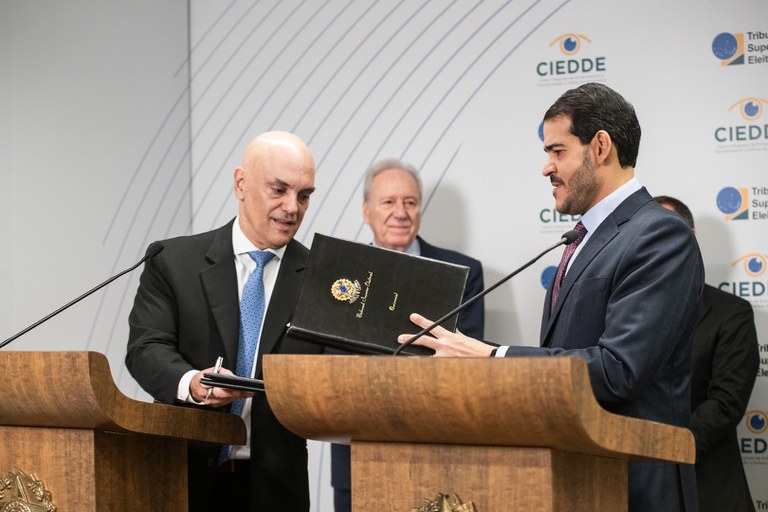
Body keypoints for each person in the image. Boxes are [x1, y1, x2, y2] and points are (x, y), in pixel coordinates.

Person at [399, 83, 704, 512]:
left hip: (633, 487)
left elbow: (619, 371)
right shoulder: (582, 237)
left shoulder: (658, 234)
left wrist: (493, 357)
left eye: (557, 151)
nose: (546, 168)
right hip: (573, 479)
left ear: (600, 147)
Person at [125, 131, 322, 512]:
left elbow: (343, 373)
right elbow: (146, 348)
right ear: (241, 183)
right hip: (183, 480)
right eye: (279, 189)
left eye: (304, 195)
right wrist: (192, 383)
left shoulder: (322, 279)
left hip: (276, 490)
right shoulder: (173, 261)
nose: (292, 207)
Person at [330, 158, 486, 512]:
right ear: (366, 211)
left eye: (410, 202)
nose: (400, 212)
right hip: (358, 453)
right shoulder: (338, 271)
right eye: (388, 202)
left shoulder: (463, 272)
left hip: (437, 451)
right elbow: (329, 364)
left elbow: (469, 364)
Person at [654, 195, 759, 512]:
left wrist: (664, 447)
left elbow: (726, 403)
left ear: (690, 237)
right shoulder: (617, 313)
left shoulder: (731, 313)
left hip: (706, 487)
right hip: (632, 485)